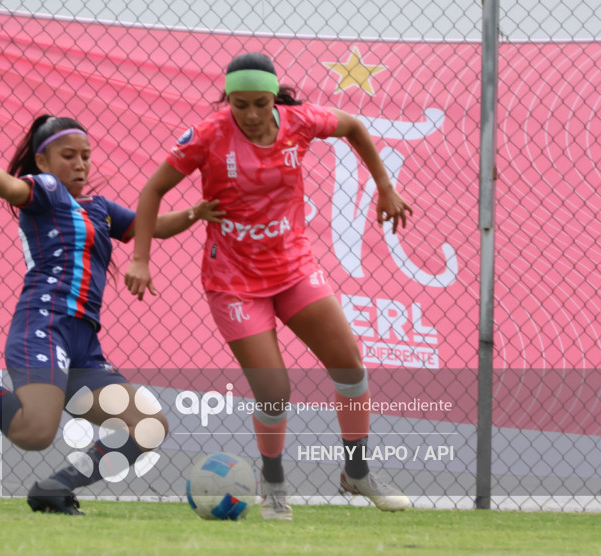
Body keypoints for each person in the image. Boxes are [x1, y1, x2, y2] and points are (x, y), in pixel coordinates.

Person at [124, 53, 414, 520]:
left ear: (274, 97)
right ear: (229, 99)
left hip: (294, 269)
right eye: (241, 104)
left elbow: (355, 126)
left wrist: (384, 184)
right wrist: (141, 257)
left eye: (261, 103)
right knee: (275, 391)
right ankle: (274, 488)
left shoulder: (301, 122)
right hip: (234, 282)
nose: (252, 115)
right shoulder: (207, 136)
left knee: (349, 366)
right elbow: (152, 191)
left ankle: (357, 474)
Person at [0, 114, 222, 515]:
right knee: (34, 433)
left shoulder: (100, 208)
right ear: (44, 162)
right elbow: (14, 187)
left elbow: (153, 227)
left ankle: (57, 487)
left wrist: (197, 212)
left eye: (86, 156)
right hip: (44, 325)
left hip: (83, 343)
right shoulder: (46, 189)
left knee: (148, 425)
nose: (81, 164)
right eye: (69, 155)